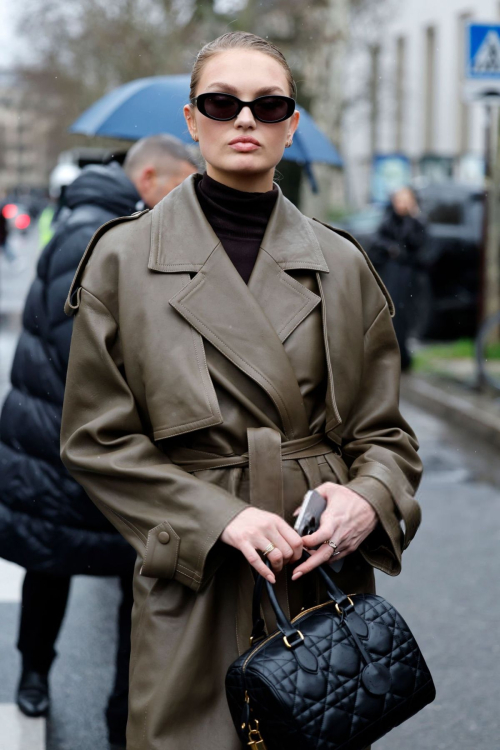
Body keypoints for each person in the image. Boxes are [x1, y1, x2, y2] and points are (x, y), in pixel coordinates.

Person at [60, 32, 423, 750]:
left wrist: (368, 498)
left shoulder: (344, 265)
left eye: (269, 104)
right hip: (193, 584)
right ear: (193, 121)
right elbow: (95, 440)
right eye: (223, 103)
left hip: (320, 582)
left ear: (292, 125)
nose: (246, 120)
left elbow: (386, 438)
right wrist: (217, 518)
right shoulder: (124, 261)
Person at [0, 135, 198, 749]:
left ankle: (122, 712)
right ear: (148, 178)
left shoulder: (123, 227)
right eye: (182, 182)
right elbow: (80, 344)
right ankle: (35, 672)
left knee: (124, 578)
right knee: (54, 564)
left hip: (98, 440)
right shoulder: (94, 233)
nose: (190, 195)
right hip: (63, 441)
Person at [370, 186, 428, 370]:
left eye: (405, 199)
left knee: (404, 318)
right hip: (391, 276)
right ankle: (388, 356)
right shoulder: (388, 221)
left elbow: (419, 246)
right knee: (389, 315)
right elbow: (376, 244)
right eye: (398, 199)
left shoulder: (417, 222)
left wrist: (412, 218)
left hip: (409, 279)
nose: (401, 204)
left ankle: (403, 357)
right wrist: (390, 249)